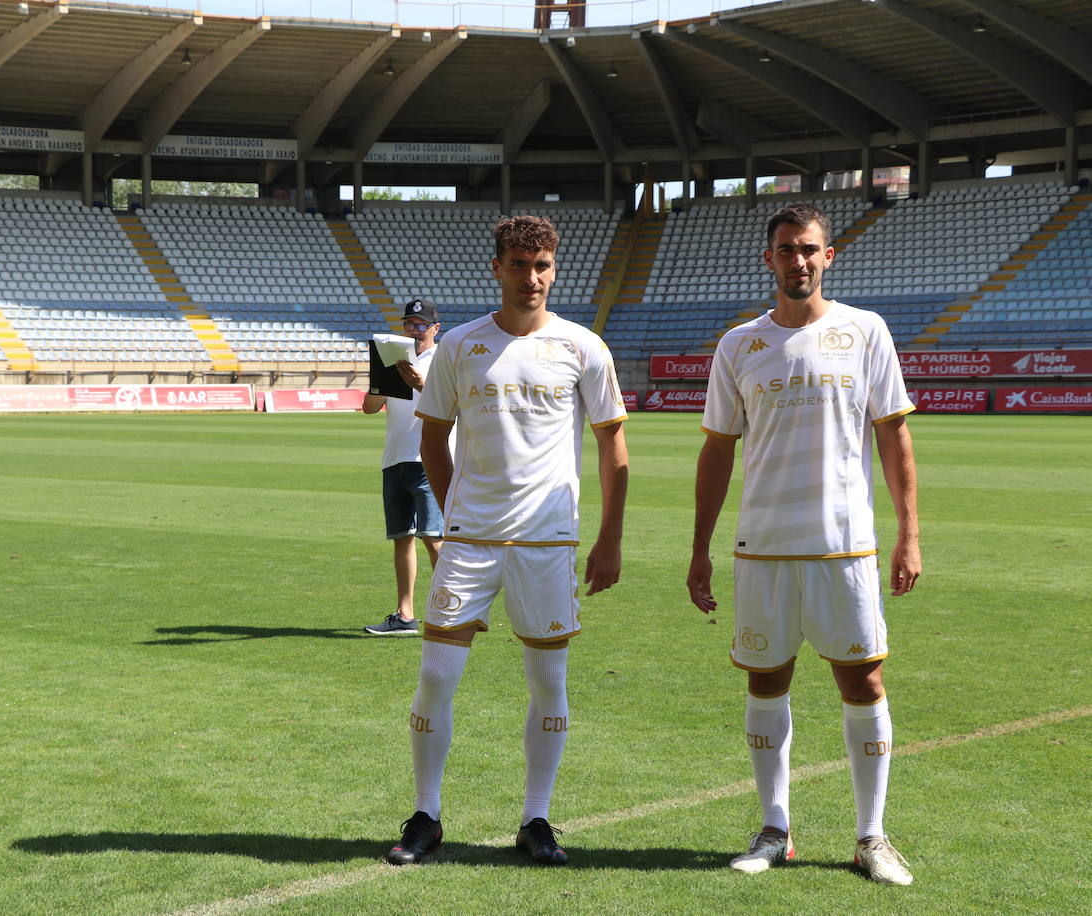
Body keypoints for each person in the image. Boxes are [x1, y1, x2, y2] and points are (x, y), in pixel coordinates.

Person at [686, 201, 921, 886]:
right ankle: (774, 828)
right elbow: (717, 452)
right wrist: (700, 549)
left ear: (829, 255)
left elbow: (893, 436)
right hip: (762, 546)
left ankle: (872, 837)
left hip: (844, 547)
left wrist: (909, 534)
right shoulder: (739, 346)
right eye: (787, 250)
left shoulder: (864, 331)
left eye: (810, 249)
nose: (800, 261)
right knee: (767, 679)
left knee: (863, 679)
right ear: (771, 259)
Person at [385, 215, 628, 867]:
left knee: (548, 678)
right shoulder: (463, 345)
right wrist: (455, 504)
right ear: (497, 269)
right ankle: (426, 814)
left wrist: (610, 536)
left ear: (555, 268)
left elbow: (613, 444)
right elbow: (433, 436)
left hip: (548, 542)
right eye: (519, 264)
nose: (532, 277)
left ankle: (536, 818)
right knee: (437, 673)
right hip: (471, 537)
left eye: (543, 264)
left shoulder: (584, 347)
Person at [362, 299, 445, 636]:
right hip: (394, 458)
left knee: (434, 538)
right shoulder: (394, 360)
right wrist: (380, 378)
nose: (414, 330)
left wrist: (420, 383)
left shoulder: (442, 359)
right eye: (409, 324)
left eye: (420, 324)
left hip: (428, 459)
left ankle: (453, 609)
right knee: (402, 538)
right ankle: (405, 615)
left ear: (435, 328)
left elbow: (454, 404)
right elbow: (369, 408)